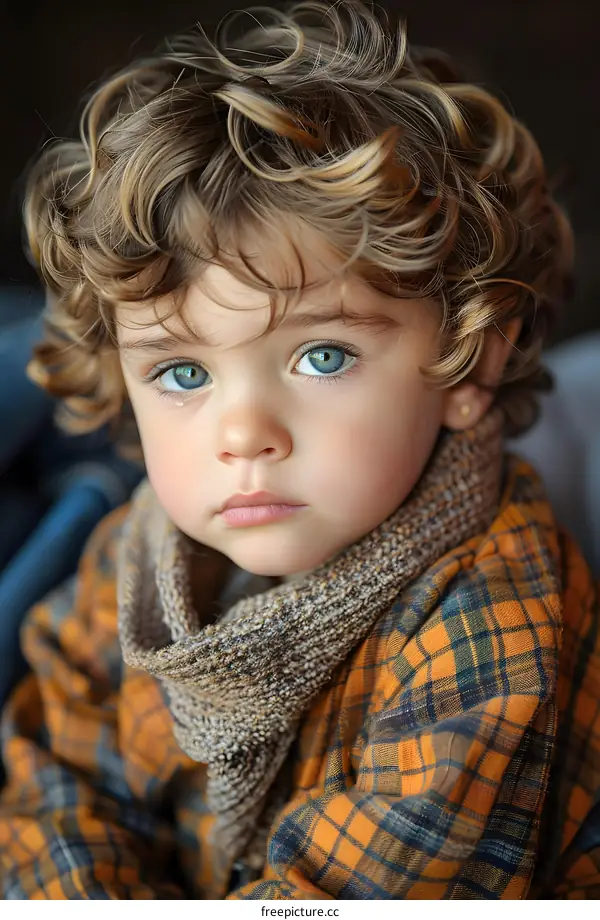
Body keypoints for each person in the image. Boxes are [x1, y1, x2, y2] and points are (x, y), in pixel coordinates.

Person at [0, 0, 598, 900]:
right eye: (183, 375)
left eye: (323, 356)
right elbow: (53, 779)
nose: (242, 435)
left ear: (472, 360)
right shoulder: (132, 561)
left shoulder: (493, 622)